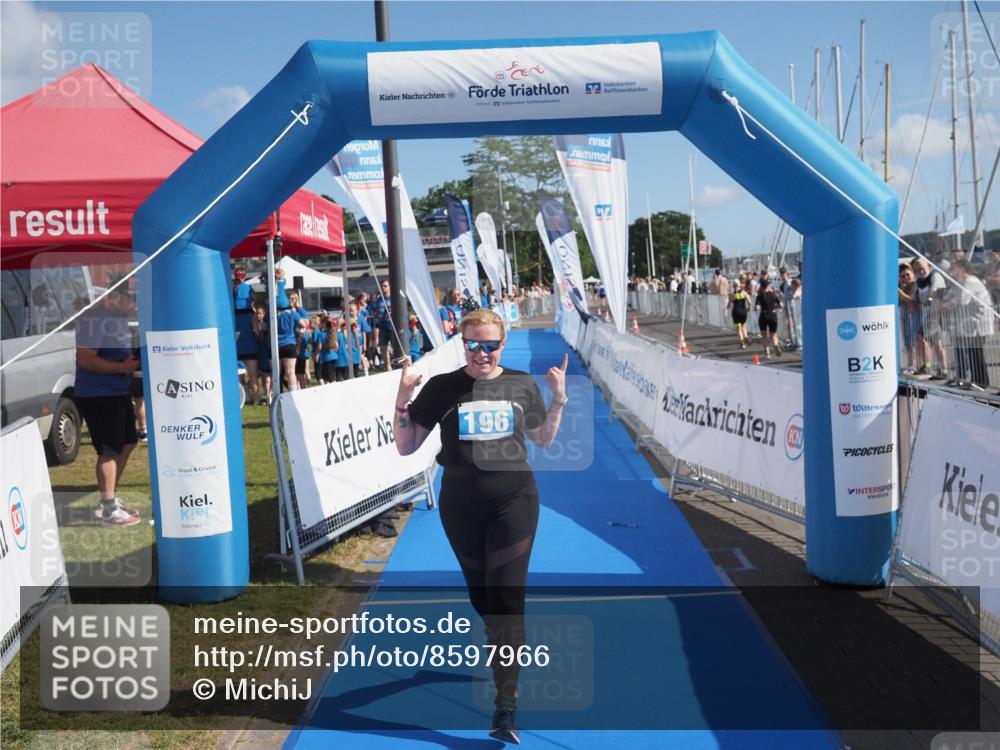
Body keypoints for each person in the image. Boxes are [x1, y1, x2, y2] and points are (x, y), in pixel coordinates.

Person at [393, 308, 568, 744]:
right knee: (484, 598)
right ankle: (501, 646)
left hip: (515, 501)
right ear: (462, 343)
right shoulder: (443, 387)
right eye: (474, 344)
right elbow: (406, 445)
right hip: (461, 506)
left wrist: (559, 398)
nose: (483, 353)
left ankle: (505, 705)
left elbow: (543, 439)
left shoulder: (522, 385)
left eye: (491, 345)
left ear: (502, 345)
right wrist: (401, 398)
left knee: (506, 599)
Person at [75, 284, 141, 527]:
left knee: (128, 443)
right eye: (130, 299)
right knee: (109, 450)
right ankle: (109, 508)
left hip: (117, 391)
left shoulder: (117, 318)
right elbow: (85, 360)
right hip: (98, 395)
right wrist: (121, 368)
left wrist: (128, 364)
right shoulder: (94, 318)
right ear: (113, 296)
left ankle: (108, 500)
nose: (134, 305)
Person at [942, 260, 992, 388]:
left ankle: (981, 382)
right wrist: (945, 302)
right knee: (972, 352)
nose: (952, 271)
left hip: (979, 323)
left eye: (954, 268)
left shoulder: (970, 281)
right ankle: (977, 381)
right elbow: (949, 296)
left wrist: (948, 304)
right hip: (970, 323)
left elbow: (963, 300)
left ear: (963, 269)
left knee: (976, 352)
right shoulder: (960, 282)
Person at [233, 267, 261, 405]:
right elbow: (257, 331)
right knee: (251, 376)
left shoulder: (249, 316)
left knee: (243, 376)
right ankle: (254, 400)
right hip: (246, 346)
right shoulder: (252, 316)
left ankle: (250, 399)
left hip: (241, 346)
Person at [276, 290, 308, 391]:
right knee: (290, 372)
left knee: (283, 372)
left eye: (292, 299)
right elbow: (303, 324)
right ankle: (293, 392)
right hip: (290, 343)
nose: (291, 301)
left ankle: (280, 393)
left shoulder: (277, 314)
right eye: (289, 299)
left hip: (284, 343)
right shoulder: (291, 313)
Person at [755, 278, 783, 359]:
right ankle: (775, 345)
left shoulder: (759, 296)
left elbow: (757, 307)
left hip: (764, 315)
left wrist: (757, 308)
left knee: (764, 335)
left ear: (761, 286)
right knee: (773, 334)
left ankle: (767, 353)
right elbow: (781, 305)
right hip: (773, 314)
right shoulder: (773, 294)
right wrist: (774, 306)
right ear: (767, 286)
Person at [727, 281, 751, 349]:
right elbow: (750, 302)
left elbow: (728, 305)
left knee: (738, 328)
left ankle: (743, 343)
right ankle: (746, 337)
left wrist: (727, 308)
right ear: (739, 286)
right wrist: (748, 308)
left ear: (734, 286)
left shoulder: (732, 295)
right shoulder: (744, 293)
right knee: (744, 326)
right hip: (743, 312)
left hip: (736, 312)